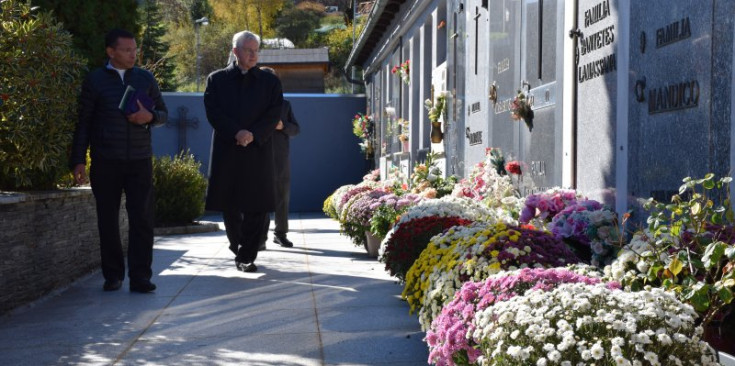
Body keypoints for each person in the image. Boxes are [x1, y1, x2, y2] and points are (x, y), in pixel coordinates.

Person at [70, 29, 167, 293]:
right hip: (105, 162)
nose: (133, 54)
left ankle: (141, 277)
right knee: (107, 220)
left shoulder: (145, 78)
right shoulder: (95, 80)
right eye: (126, 50)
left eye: (135, 49)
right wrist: (78, 160)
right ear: (111, 52)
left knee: (142, 220)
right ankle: (113, 275)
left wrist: (150, 117)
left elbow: (163, 114)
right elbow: (84, 123)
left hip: (139, 160)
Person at [204, 30, 283, 273]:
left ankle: (247, 255)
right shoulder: (216, 80)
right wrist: (236, 132)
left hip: (258, 150)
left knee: (257, 206)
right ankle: (238, 246)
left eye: (256, 50)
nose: (253, 54)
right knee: (230, 204)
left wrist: (253, 134)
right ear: (235, 51)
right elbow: (213, 111)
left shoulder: (270, 81)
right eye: (248, 50)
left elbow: (274, 113)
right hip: (229, 149)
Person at [258, 67, 300, 250]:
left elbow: (296, 129)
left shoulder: (285, 105)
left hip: (280, 158)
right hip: (257, 158)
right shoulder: (253, 104)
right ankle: (259, 237)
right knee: (259, 199)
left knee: (282, 196)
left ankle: (280, 234)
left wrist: (283, 126)